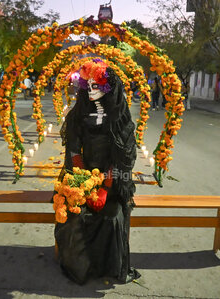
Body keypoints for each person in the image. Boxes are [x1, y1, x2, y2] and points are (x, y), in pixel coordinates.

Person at [55, 59, 140, 285]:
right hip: (82, 180)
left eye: (97, 86)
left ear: (107, 87)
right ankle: (82, 269)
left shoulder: (120, 119)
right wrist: (84, 185)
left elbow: (121, 158)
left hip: (112, 184)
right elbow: (73, 149)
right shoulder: (78, 116)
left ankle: (107, 269)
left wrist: (104, 188)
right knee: (74, 217)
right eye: (88, 86)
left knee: (112, 218)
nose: (91, 91)